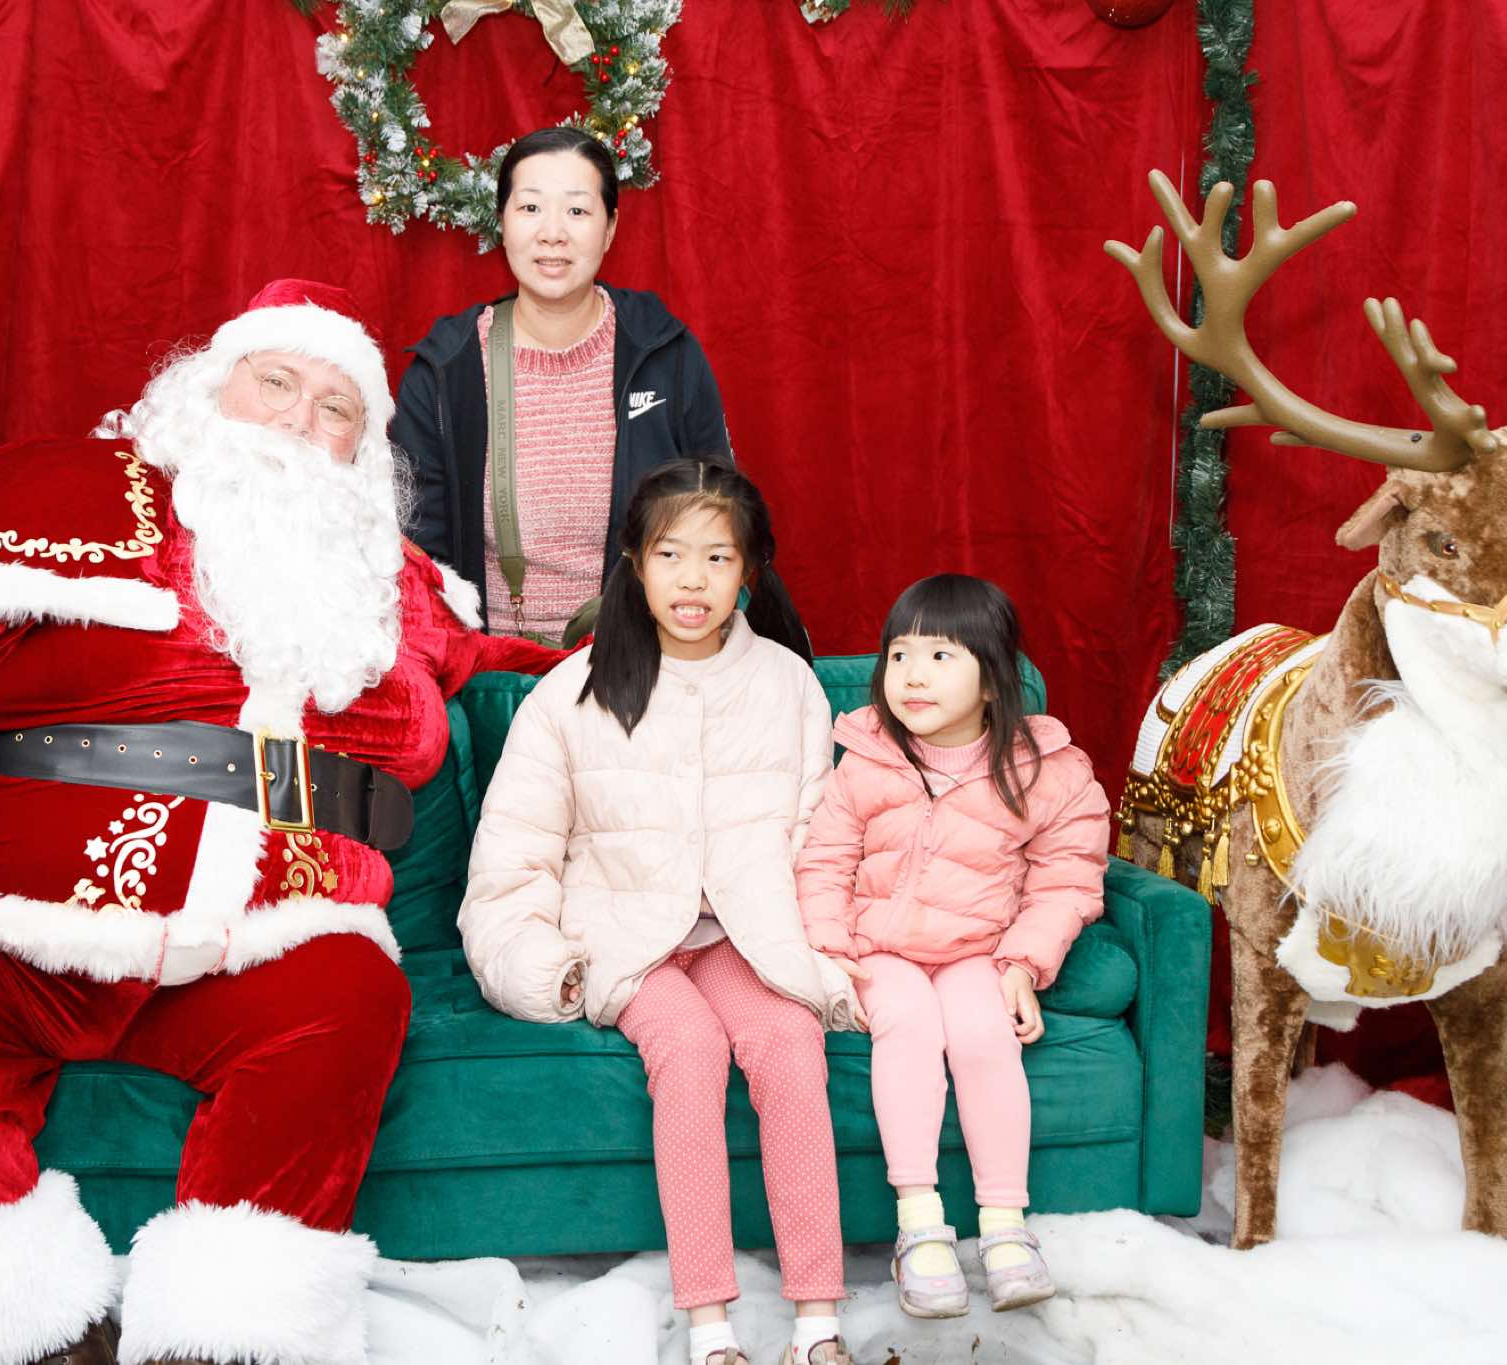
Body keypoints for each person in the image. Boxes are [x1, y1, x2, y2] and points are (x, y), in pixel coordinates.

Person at [0, 279, 562, 1365]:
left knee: (351, 996)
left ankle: (226, 1337)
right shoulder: (56, 485)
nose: (299, 419)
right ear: (206, 388)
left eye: (336, 407)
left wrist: (675, 654)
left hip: (266, 942)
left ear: (362, 449)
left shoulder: (392, 582)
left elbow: (517, 665)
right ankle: (21, 1331)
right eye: (277, 381)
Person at [459, 460, 858, 1365]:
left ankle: (819, 1323)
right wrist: (546, 966)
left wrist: (828, 955)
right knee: (689, 1047)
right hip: (626, 937)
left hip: (746, 932)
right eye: (671, 553)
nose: (692, 579)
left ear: (747, 570)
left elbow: (817, 839)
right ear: (634, 562)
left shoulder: (789, 684)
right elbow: (512, 860)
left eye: (718, 557)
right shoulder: (571, 691)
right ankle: (711, 1327)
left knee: (790, 1039)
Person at [795, 574, 1109, 1316]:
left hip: (978, 949)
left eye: (940, 657)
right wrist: (829, 950)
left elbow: (1067, 877)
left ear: (993, 681)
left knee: (981, 1032)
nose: (913, 676)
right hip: (880, 949)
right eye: (900, 656)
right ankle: (920, 1223)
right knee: (907, 1025)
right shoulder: (867, 757)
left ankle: (1004, 1225)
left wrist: (1023, 964)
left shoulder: (1046, 771)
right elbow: (824, 860)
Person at [391, 126, 731, 646]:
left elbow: (721, 522)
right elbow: (418, 559)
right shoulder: (446, 371)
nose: (552, 233)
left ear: (610, 228)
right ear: (502, 222)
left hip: (646, 658)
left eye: (577, 210)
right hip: (495, 671)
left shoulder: (666, 355)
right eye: (530, 208)